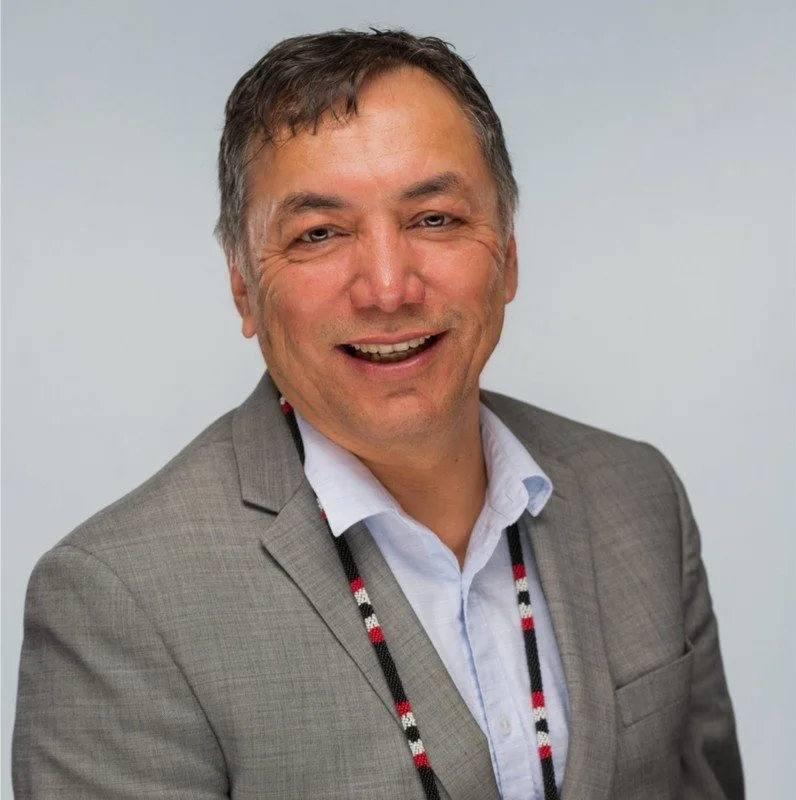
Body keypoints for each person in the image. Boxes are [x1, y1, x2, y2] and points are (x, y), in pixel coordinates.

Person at [12, 29, 744, 800]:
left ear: (510, 257)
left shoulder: (637, 496)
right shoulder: (119, 601)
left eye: (434, 218)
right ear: (242, 290)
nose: (388, 288)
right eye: (319, 234)